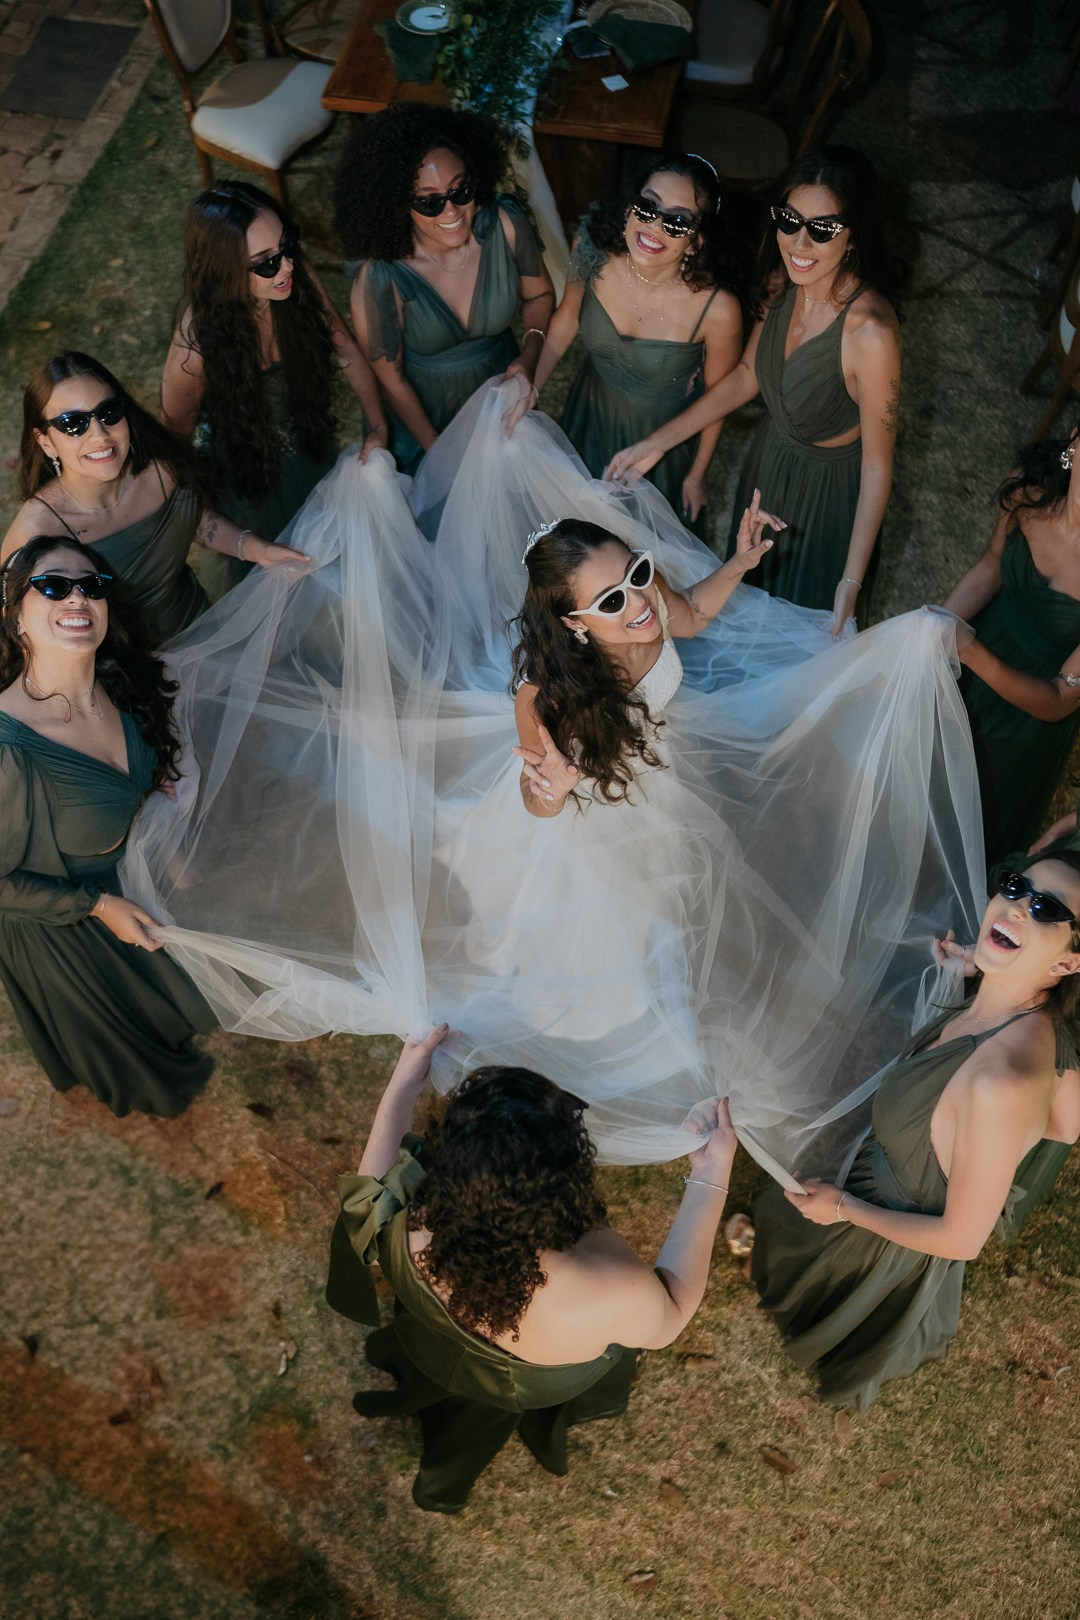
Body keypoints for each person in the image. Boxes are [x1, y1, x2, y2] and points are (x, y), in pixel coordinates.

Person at [122, 382, 983, 1182]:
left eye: (636, 574)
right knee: (612, 936)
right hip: (589, 822)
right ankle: (625, 1034)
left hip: (658, 777)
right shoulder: (553, 700)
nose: (637, 604)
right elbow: (536, 803)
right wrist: (555, 779)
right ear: (573, 622)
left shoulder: (652, 605)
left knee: (685, 900)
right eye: (610, 601)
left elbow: (694, 613)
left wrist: (743, 562)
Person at [326, 1025, 736, 1513]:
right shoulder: (606, 1288)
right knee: (488, 1414)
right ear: (565, 1184)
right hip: (520, 1386)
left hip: (427, 1336)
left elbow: (364, 1198)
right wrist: (711, 1174)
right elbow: (671, 1314)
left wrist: (403, 1086)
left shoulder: (414, 1211)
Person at [750, 856, 1080, 1411]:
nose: (1017, 906)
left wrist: (842, 1211)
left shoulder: (999, 1084)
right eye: (1016, 885)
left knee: (803, 1276)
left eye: (1045, 909)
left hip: (881, 1235)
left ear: (1069, 963)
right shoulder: (1029, 1016)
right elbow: (1068, 1124)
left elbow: (961, 1241)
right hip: (880, 1174)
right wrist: (989, 969)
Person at [606, 146, 902, 634]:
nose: (799, 244)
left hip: (827, 499)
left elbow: (877, 463)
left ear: (853, 236)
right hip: (768, 465)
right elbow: (746, 375)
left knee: (799, 634)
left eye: (822, 229)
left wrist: (851, 580)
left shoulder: (871, 332)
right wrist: (656, 443)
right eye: (789, 220)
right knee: (744, 598)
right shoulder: (780, 284)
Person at [0, 536, 216, 1115]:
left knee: (171, 999)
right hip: (60, 925)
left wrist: (152, 796)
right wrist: (98, 908)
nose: (77, 597)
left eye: (91, 585)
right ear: (15, 613)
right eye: (53, 585)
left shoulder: (123, 685)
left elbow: (141, 774)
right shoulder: (7, 749)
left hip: (130, 883)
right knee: (133, 1054)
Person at [161, 181, 386, 599]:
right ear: (224, 273)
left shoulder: (296, 280)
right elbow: (172, 464)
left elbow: (347, 351)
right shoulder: (194, 355)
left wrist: (377, 426)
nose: (287, 268)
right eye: (266, 263)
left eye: (289, 246)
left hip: (309, 458)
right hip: (248, 490)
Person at [506, 153, 744, 536]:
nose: (654, 227)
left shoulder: (718, 310)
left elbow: (718, 399)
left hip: (660, 441)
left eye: (678, 221)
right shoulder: (591, 249)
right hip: (589, 411)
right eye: (648, 206)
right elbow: (567, 317)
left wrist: (696, 475)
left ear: (697, 240)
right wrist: (533, 385)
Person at [2, 353, 307, 647]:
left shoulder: (162, 470)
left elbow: (192, 519)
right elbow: (17, 632)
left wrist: (258, 549)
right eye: (73, 424)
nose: (100, 435)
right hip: (125, 673)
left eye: (109, 413)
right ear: (45, 441)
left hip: (203, 631)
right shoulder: (35, 533)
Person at [334, 102, 555, 475]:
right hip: (425, 418)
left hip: (499, 398)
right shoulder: (382, 278)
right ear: (398, 204)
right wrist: (437, 451)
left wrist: (529, 355)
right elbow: (392, 380)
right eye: (430, 202)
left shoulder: (506, 223)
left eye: (460, 191)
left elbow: (540, 295)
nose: (451, 212)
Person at [943, 429, 1080, 865]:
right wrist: (935, 630)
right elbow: (989, 569)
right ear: (1075, 442)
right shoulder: (1028, 494)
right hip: (972, 658)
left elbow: (1060, 699)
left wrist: (971, 652)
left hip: (1026, 718)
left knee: (967, 834)